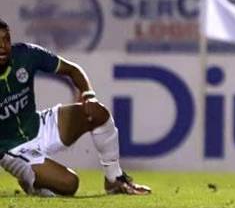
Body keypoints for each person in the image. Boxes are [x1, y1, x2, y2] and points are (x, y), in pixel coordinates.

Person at [0, 18, 151, 196]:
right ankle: (33, 183)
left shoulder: (25, 54)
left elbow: (73, 70)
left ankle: (114, 179)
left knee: (96, 111)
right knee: (70, 184)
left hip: (40, 126)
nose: (3, 46)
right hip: (13, 149)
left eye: (6, 39)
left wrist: (88, 96)